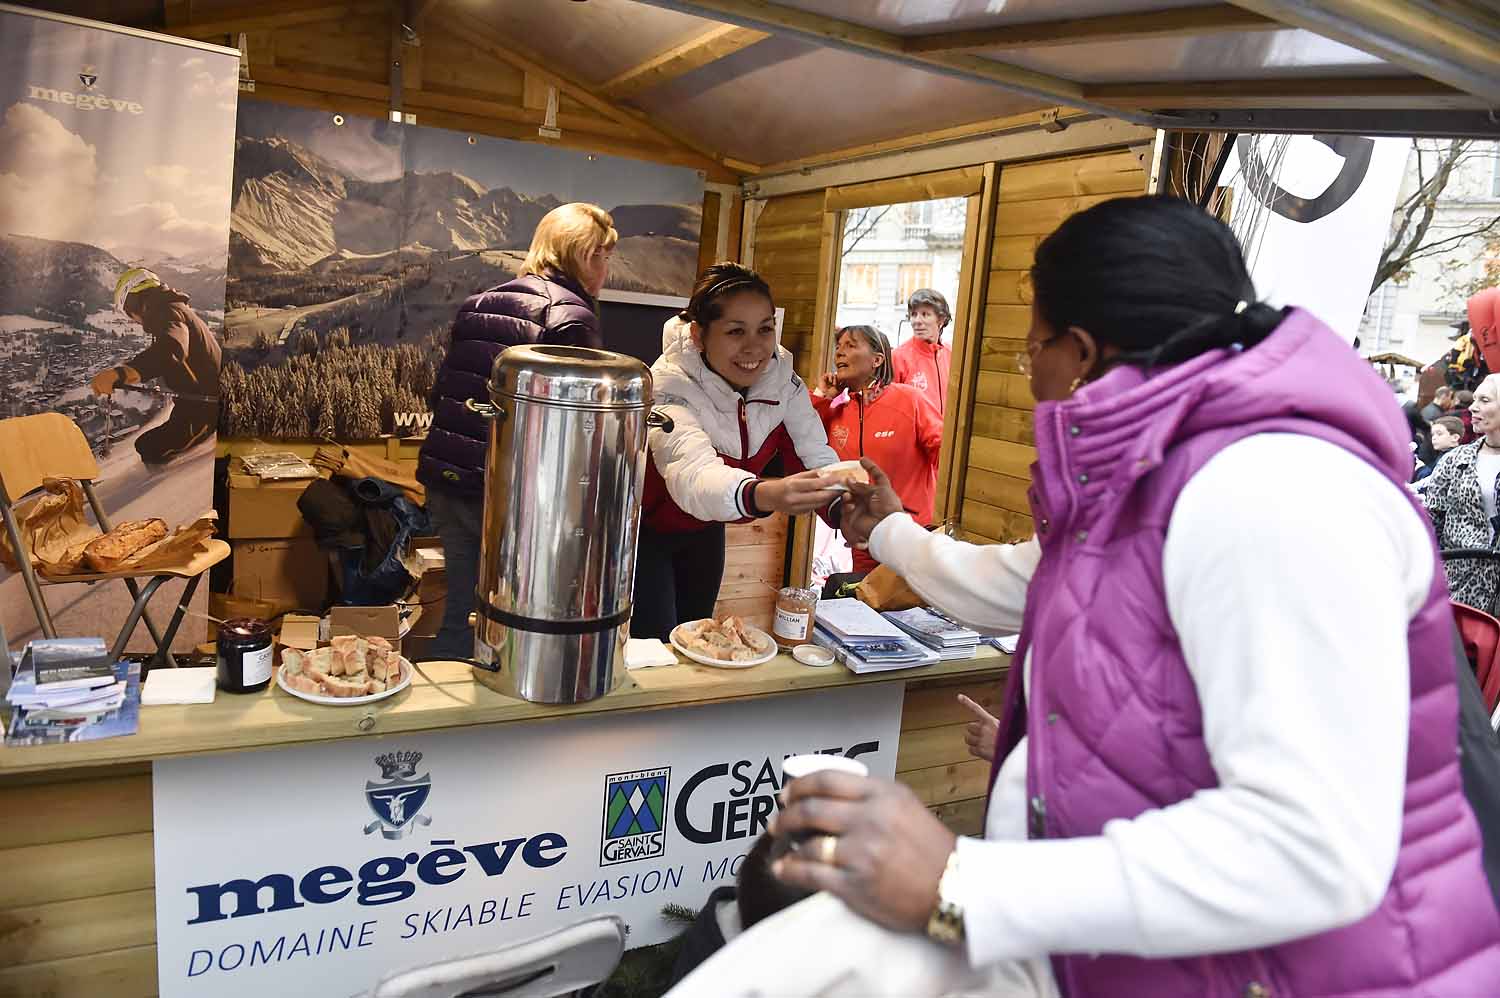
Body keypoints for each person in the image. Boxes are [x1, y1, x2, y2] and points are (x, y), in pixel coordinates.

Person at [760, 196, 1500, 997]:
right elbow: (1028, 581)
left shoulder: (1273, 489)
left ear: (1080, 352)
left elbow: (1313, 847)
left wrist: (961, 884)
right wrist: (895, 531)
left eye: (1030, 348)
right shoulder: (1171, 471)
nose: (1030, 372)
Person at [416, 202, 617, 659]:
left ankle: (439, 718)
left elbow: (444, 393)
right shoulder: (570, 317)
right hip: (514, 499)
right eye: (605, 256)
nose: (606, 269)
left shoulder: (479, 304)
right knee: (518, 623)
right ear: (586, 256)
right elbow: (579, 431)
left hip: (449, 482)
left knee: (462, 613)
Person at [635, 263, 840, 640]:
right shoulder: (666, 385)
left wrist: (847, 506)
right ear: (698, 335)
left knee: (700, 639)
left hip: (707, 533)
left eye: (765, 328)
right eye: (735, 331)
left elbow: (814, 453)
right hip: (646, 536)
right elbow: (693, 475)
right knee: (658, 653)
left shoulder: (782, 379)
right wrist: (764, 492)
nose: (754, 348)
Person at [812, 325, 942, 576]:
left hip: (911, 534)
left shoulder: (909, 400)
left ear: (877, 360)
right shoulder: (838, 412)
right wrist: (823, 396)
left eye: (851, 346)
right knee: (867, 607)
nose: (839, 353)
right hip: (863, 539)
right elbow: (801, 439)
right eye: (838, 347)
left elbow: (946, 457)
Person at [90, 268, 221, 466]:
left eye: (128, 311)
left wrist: (121, 374)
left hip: (204, 411)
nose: (132, 318)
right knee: (147, 444)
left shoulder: (167, 312)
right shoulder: (173, 308)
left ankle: (166, 490)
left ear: (134, 302)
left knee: (149, 447)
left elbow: (172, 348)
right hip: (198, 404)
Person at [1422, 372, 1500, 611]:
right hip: (1458, 590)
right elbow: (1429, 518)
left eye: (1485, 401)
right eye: (1474, 399)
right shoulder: (1455, 459)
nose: (1473, 408)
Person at [892, 289, 952, 416]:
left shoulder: (951, 355)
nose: (917, 321)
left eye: (925, 314)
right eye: (914, 314)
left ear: (941, 319)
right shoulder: (898, 357)